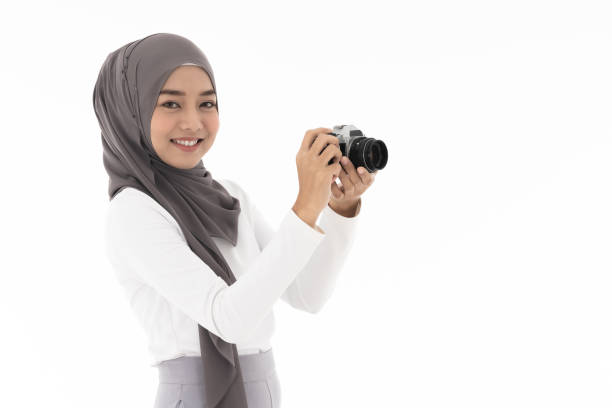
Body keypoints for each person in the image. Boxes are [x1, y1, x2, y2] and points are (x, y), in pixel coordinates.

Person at [93, 33, 376, 408]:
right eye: (171, 104)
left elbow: (307, 295)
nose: (192, 122)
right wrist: (305, 206)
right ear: (130, 111)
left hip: (264, 390)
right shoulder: (134, 211)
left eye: (206, 103)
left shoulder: (229, 196)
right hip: (194, 396)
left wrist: (338, 210)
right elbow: (226, 318)